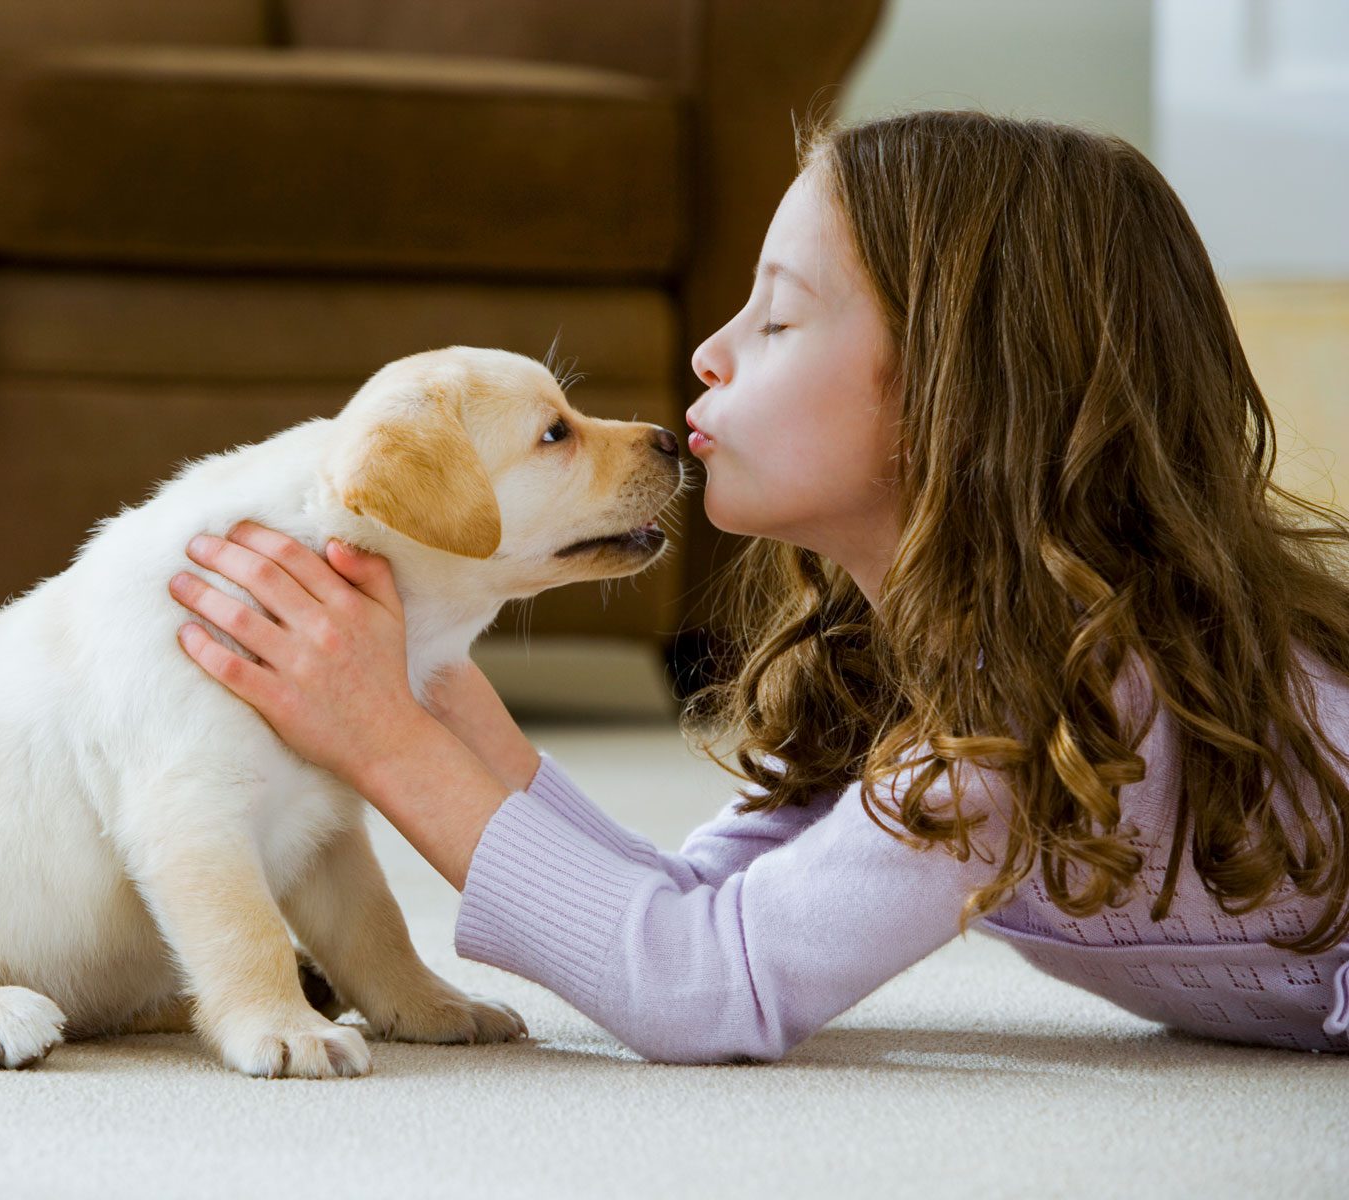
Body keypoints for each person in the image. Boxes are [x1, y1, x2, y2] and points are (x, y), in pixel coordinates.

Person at [166, 110, 1349, 1061]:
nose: (707, 352)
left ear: (954, 402)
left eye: (778, 318)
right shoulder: (921, 659)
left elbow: (701, 982)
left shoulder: (1035, 710)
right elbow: (699, 901)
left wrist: (383, 742)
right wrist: (443, 701)